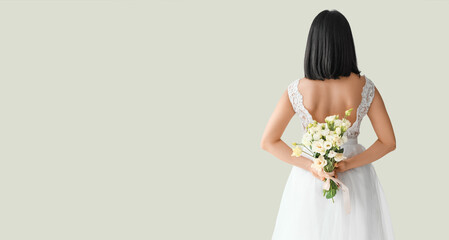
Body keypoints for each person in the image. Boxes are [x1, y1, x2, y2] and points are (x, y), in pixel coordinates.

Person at [260, 9, 396, 240]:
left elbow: (268, 141)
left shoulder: (297, 89)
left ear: (313, 45)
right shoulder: (365, 86)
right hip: (356, 178)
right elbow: (388, 142)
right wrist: (350, 164)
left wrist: (311, 166)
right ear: (348, 45)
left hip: (309, 179)